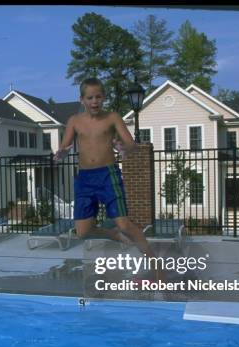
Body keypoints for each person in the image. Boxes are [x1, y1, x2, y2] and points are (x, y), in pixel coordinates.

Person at [54, 77, 163, 281]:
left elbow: (131, 143)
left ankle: (156, 267)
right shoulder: (74, 121)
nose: (94, 101)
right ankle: (112, 235)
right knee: (82, 232)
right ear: (82, 100)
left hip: (107, 174)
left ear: (103, 97)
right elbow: (65, 146)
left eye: (98, 97)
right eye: (90, 97)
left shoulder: (112, 117)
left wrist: (123, 148)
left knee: (124, 224)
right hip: (85, 179)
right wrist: (61, 153)